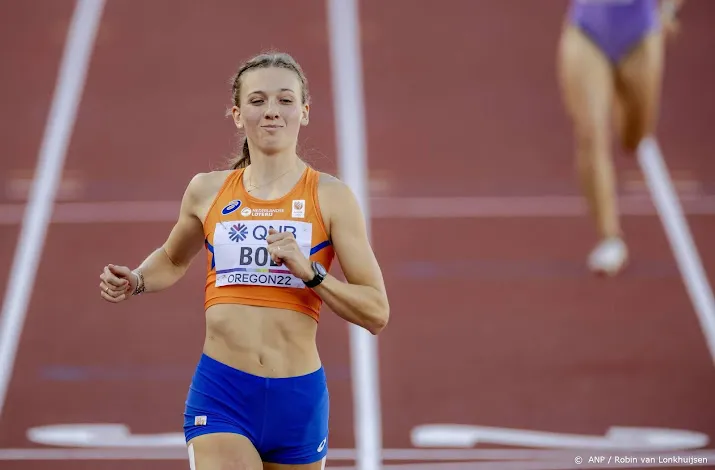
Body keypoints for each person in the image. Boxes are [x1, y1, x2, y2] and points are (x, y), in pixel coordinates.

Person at [98, 51, 390, 470]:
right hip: (223, 393)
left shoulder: (330, 197)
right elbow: (172, 258)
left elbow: (376, 312)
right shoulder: (206, 190)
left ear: (304, 112)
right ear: (237, 115)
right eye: (257, 101)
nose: (271, 111)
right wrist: (138, 279)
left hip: (298, 398)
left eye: (285, 100)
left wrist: (309, 271)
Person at [556, 0, 685, 276]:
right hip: (587, 32)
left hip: (639, 34)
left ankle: (614, 93)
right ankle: (610, 237)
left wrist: (668, 10)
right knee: (590, 133)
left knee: (635, 136)